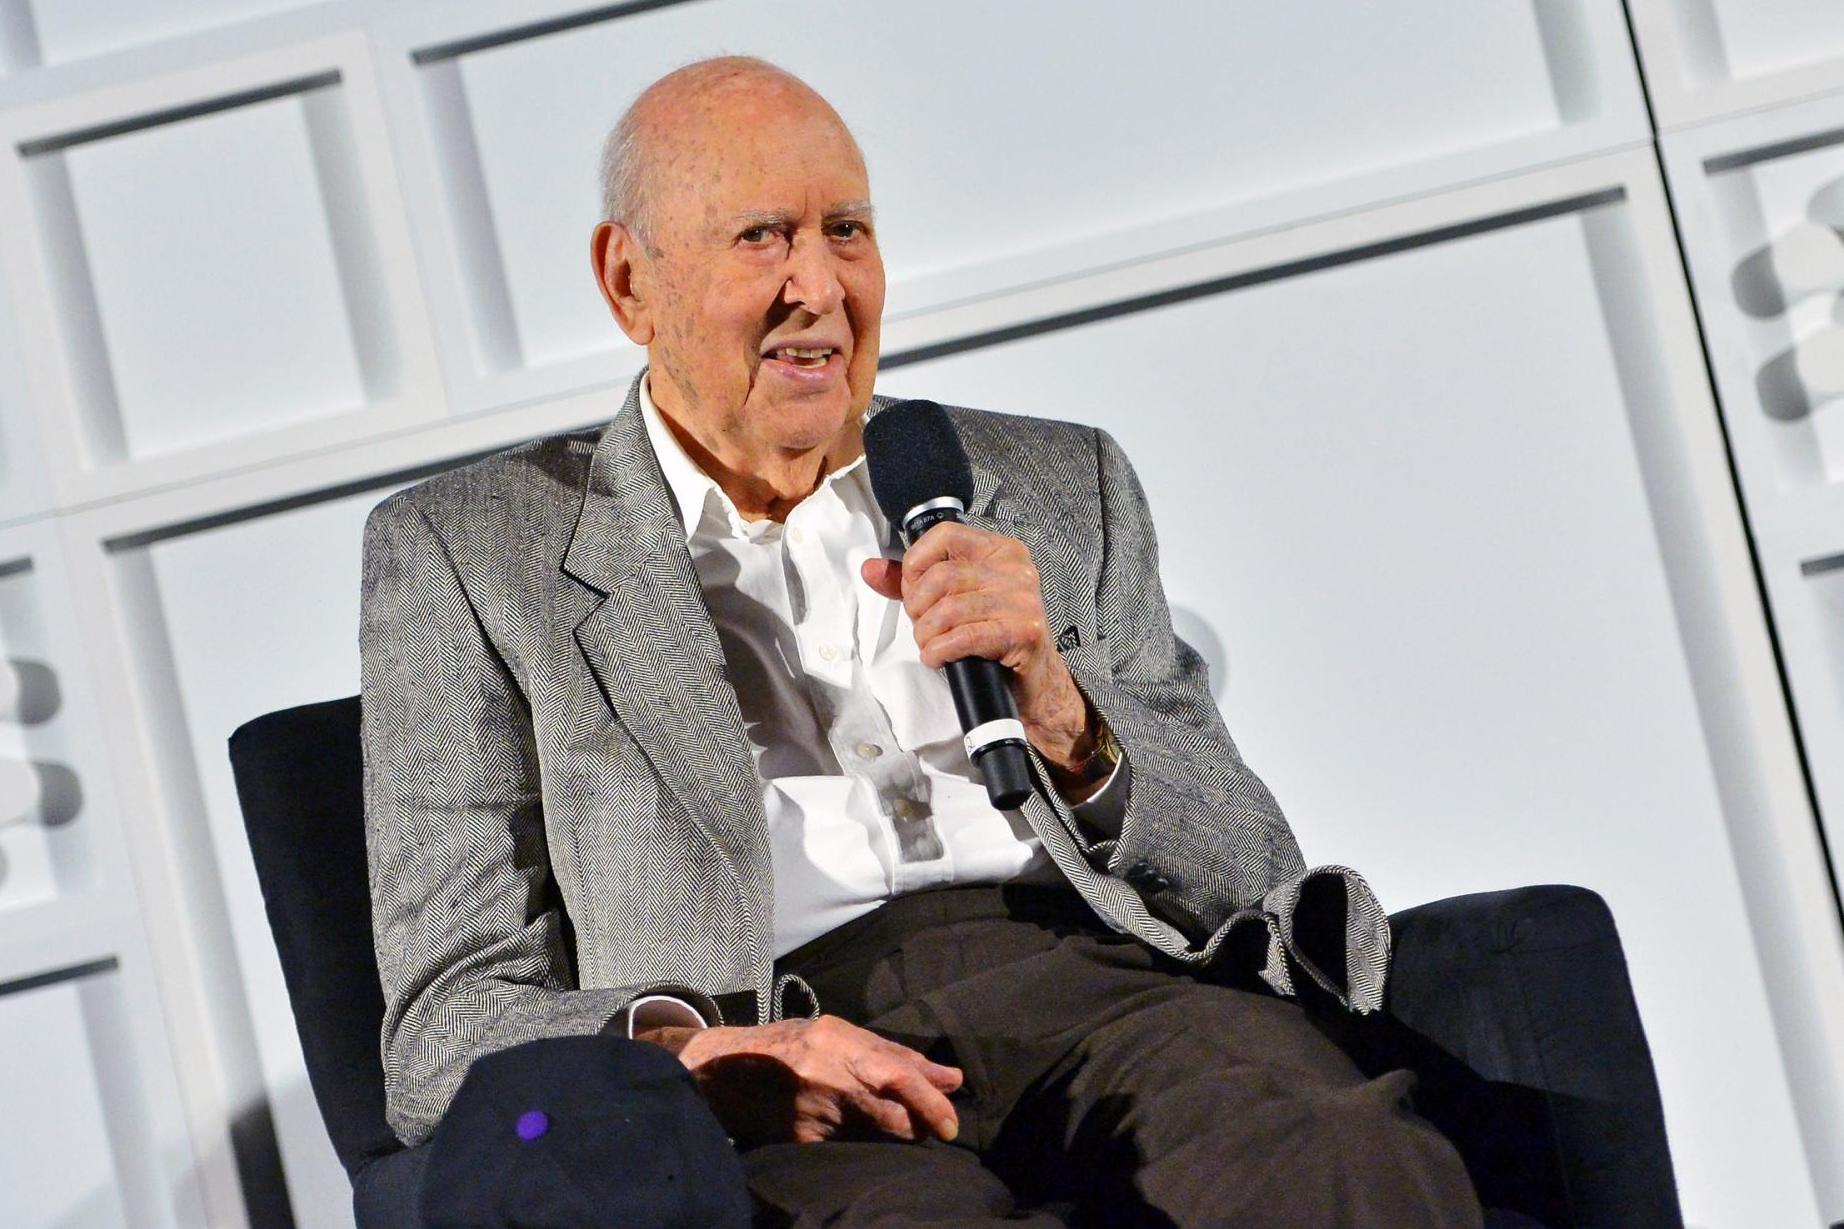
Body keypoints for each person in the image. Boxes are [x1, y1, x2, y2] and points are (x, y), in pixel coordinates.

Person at [359, 55, 1482, 1227]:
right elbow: (446, 1024)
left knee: (1329, 1150)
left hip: (1101, 984)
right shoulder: (469, 553)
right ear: (630, 280)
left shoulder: (1053, 480)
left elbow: (1248, 867)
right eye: (761, 236)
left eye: (845, 229)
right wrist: (714, 1052)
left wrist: (1066, 714)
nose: (818, 285)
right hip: (780, 1049)